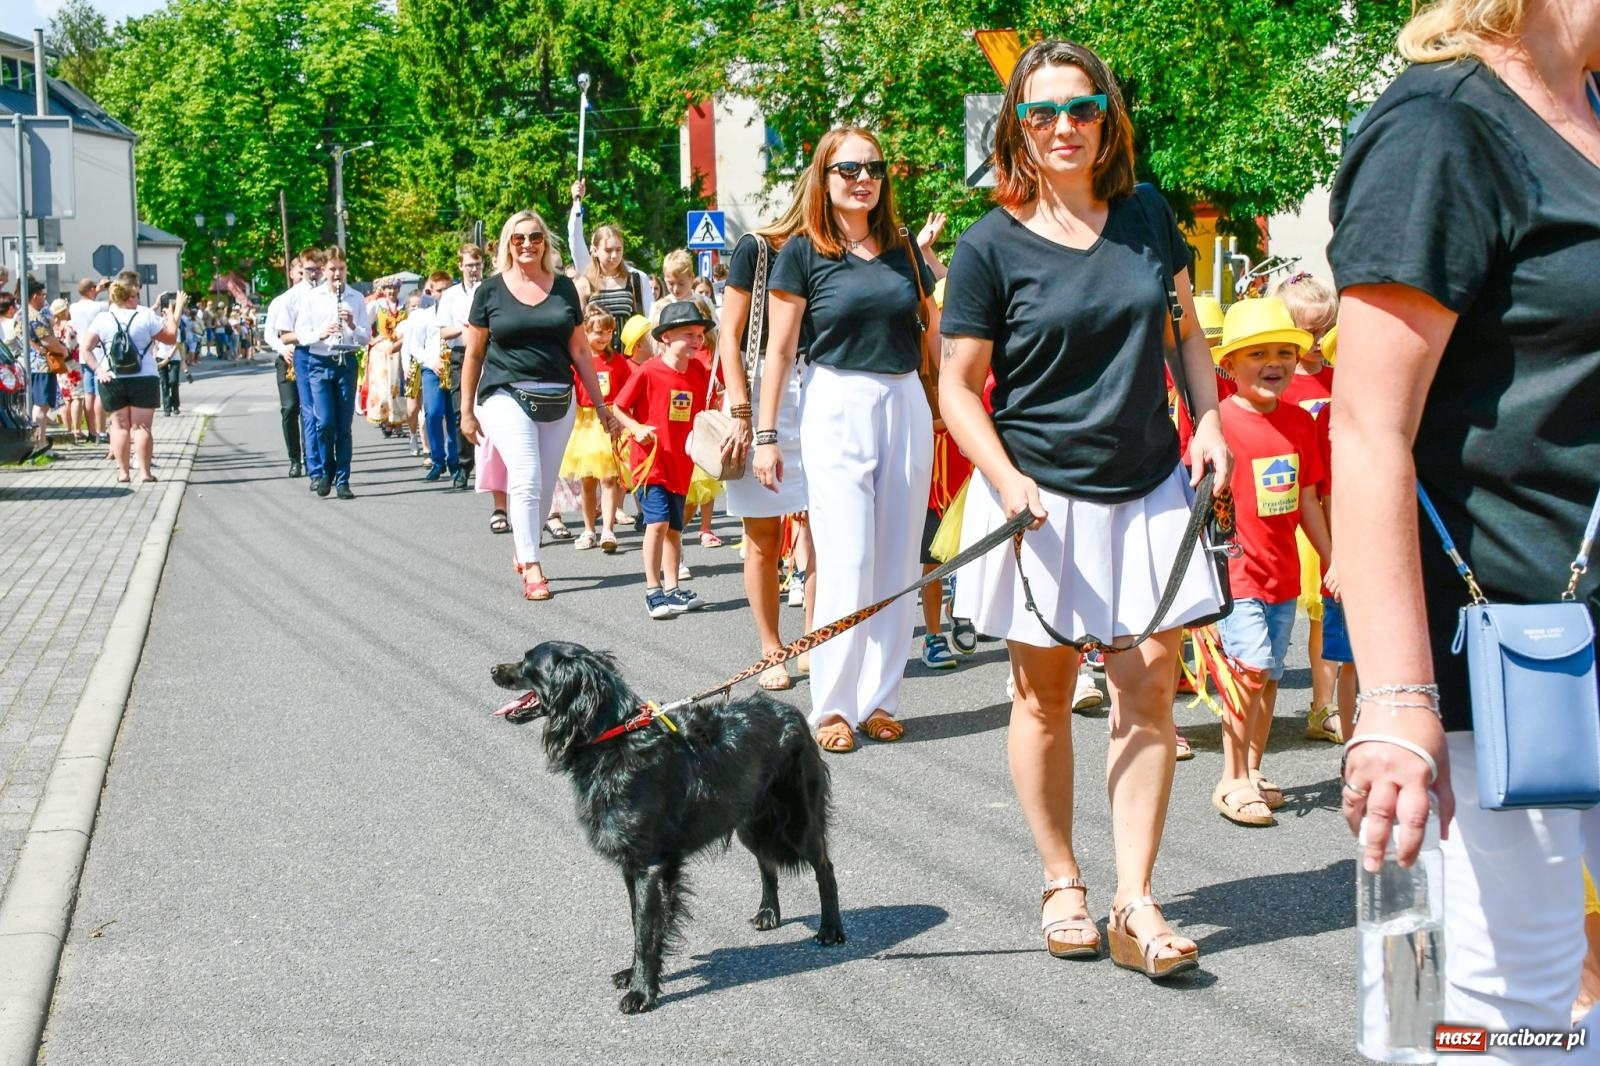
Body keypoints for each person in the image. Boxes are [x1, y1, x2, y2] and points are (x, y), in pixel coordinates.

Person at [1329, 0, 1600, 1050]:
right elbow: (1366, 427)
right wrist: (1396, 703)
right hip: (1492, 672)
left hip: (1577, 647)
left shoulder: (1586, 105)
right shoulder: (1439, 125)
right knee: (1473, 1023)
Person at [939, 38, 1229, 976]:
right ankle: (1062, 879)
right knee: (1045, 696)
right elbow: (957, 388)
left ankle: (1134, 901)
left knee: (1149, 693)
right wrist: (1004, 478)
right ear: (1016, 127)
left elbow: (1185, 334)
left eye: (1082, 108)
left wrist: (1210, 421)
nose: (1063, 126)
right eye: (1042, 112)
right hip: (1041, 498)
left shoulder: (1147, 214)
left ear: (1108, 118)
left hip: (1150, 486)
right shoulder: (988, 245)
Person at [754, 125, 937, 754]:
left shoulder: (903, 247)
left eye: (874, 169)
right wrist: (766, 433)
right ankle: (832, 705)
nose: (864, 179)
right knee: (848, 557)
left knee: (898, 557)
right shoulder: (803, 252)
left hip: (905, 398)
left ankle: (882, 699)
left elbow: (935, 330)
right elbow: (779, 351)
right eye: (849, 169)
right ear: (824, 177)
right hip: (836, 398)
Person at [1207, 297, 1333, 828]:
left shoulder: (1301, 423)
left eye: (1284, 351)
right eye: (1258, 353)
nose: (1274, 362)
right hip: (1236, 573)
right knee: (1249, 670)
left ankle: (1253, 769)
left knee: (1271, 675)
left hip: (1283, 575)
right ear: (1229, 364)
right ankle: (1231, 779)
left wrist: (1332, 558)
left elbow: (1307, 500)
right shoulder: (1218, 424)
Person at [458, 210, 619, 600]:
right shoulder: (490, 291)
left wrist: (601, 407)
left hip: (558, 395)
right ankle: (532, 564)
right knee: (527, 476)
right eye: (519, 238)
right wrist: (466, 410)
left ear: (545, 242)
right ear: (507, 244)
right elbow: (474, 353)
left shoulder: (564, 288)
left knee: (546, 485)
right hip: (505, 393)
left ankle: (524, 544)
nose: (527, 244)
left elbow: (580, 350)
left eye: (535, 237)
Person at [718, 179, 817, 692]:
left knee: (822, 529)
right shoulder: (758, 248)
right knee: (764, 535)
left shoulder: (837, 251)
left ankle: (813, 642)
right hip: (758, 392)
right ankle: (770, 647)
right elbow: (728, 337)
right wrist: (742, 412)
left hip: (818, 387)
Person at [612, 300, 717, 618]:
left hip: (680, 463)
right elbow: (619, 407)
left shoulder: (699, 371)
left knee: (674, 528)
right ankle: (653, 590)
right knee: (657, 523)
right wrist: (637, 428)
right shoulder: (649, 371)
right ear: (666, 337)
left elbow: (705, 409)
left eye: (700, 335)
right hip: (651, 463)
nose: (697, 340)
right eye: (689, 334)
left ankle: (673, 589)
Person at [280, 246, 369, 499]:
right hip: (319, 362)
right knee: (325, 422)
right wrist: (320, 333)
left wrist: (352, 324)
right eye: (332, 269)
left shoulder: (355, 298)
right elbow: (301, 333)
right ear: (324, 270)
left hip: (345, 362)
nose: (337, 274)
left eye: (341, 269)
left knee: (343, 426)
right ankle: (324, 471)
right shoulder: (313, 297)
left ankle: (343, 480)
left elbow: (365, 338)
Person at [79, 270, 184, 483]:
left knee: (119, 427)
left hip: (112, 378)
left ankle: (123, 473)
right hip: (144, 377)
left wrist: (98, 370)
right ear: (128, 298)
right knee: (141, 427)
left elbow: (85, 348)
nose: (138, 299)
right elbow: (171, 338)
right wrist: (172, 315)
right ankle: (145, 473)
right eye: (135, 295)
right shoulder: (145, 316)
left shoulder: (103, 318)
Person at [560, 303, 632, 552]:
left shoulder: (618, 361)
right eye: (599, 332)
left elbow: (626, 393)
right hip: (586, 424)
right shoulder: (578, 362)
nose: (605, 337)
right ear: (585, 332)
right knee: (588, 481)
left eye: (609, 332)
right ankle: (589, 529)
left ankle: (608, 529)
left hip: (610, 422)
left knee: (610, 478)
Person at [570, 180, 655, 336]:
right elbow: (575, 238)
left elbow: (649, 320)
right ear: (595, 251)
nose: (614, 255)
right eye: (608, 250)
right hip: (594, 350)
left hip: (627, 351)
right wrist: (577, 202)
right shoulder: (585, 284)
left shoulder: (636, 280)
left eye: (618, 249)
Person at [438, 244, 486, 490]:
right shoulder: (451, 295)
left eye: (477, 265)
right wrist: (462, 328)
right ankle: (463, 466)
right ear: (460, 266)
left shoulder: (488, 289)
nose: (473, 270)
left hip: (487, 353)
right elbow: (443, 331)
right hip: (461, 354)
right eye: (468, 266)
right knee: (461, 409)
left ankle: (487, 462)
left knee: (487, 408)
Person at [264, 256, 311, 478]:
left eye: (307, 272)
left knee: (309, 410)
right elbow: (269, 333)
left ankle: (310, 458)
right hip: (287, 359)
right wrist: (282, 349)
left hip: (308, 357)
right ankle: (295, 458)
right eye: (300, 273)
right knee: (290, 407)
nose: (303, 277)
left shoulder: (314, 298)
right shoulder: (281, 301)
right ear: (291, 274)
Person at [20, 281, 66, 452]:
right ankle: (40, 445)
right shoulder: (35, 317)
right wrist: (63, 350)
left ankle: (39, 443)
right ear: (35, 296)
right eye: (42, 295)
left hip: (27, 364)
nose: (43, 299)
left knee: (35, 404)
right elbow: (47, 341)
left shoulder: (19, 314)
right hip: (42, 366)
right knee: (41, 405)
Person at [68, 278, 107, 445]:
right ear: (91, 289)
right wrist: (103, 289)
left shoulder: (73, 307)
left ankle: (91, 431)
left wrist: (95, 290)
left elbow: (87, 298)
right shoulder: (100, 306)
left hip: (83, 354)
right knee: (100, 394)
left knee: (88, 394)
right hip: (99, 353)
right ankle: (101, 431)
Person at [152, 292, 183, 415]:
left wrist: (168, 358)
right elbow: (155, 343)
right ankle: (167, 408)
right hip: (160, 357)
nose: (165, 315)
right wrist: (155, 356)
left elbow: (176, 344)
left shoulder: (175, 326)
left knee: (173, 381)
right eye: (163, 313)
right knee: (164, 383)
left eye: (167, 313)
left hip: (173, 357)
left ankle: (175, 405)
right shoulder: (158, 326)